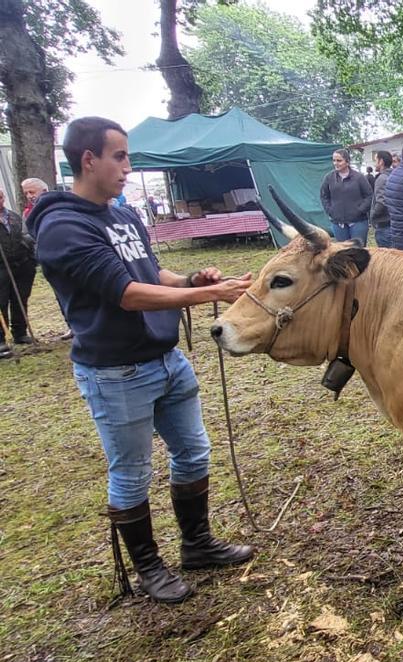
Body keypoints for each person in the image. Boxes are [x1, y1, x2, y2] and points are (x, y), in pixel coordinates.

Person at [31, 117, 254, 603]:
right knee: (131, 472)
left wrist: (193, 279)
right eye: (120, 157)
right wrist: (212, 295)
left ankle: (196, 544)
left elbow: (150, 272)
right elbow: (127, 294)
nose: (128, 168)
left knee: (193, 452)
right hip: (116, 371)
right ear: (88, 160)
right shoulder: (62, 226)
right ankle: (148, 567)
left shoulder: (123, 215)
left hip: (165, 358)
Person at [0, 191, 37, 358]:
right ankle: (1, 339)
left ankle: (20, 332)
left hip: (21, 264)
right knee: (1, 303)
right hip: (1, 267)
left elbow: (25, 235)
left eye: (0, 197)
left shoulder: (14, 217)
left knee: (20, 298)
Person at [320, 148, 372, 244]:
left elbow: (369, 196)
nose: (336, 163)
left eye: (339, 160)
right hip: (338, 223)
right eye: (334, 160)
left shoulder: (359, 177)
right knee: (343, 253)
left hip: (358, 222)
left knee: (358, 252)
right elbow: (324, 196)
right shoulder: (329, 178)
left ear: (347, 162)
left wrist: (360, 210)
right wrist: (330, 211)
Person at [369, 150, 394, 248]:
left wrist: (372, 216)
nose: (374, 164)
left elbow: (381, 202)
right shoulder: (394, 175)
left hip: (384, 225)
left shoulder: (382, 178)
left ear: (381, 162)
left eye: (376, 160)